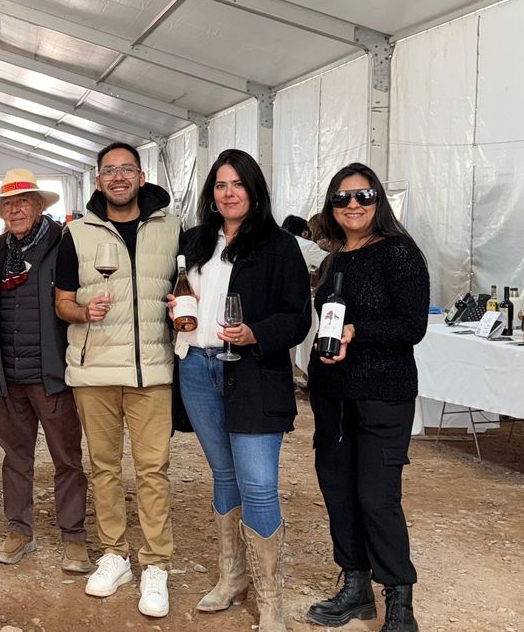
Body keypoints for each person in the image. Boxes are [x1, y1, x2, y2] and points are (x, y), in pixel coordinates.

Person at [170, 149, 310, 632]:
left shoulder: (278, 245)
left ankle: (269, 598)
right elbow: (182, 292)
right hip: (196, 368)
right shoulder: (194, 240)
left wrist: (255, 333)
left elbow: (297, 318)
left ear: (254, 190)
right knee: (224, 476)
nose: (228, 193)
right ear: (211, 194)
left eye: (237, 184)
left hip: (252, 372)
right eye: (220, 185)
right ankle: (233, 578)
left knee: (257, 483)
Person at [53, 142, 181, 618]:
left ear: (141, 176)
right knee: (103, 468)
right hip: (93, 370)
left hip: (152, 369)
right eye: (110, 170)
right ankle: (115, 554)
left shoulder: (171, 227)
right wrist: (83, 310)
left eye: (127, 169)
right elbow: (62, 302)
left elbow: (190, 284)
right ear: (98, 179)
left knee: (153, 470)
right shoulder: (78, 233)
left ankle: (156, 563)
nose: (119, 178)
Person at [304, 163, 428, 632]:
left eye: (363, 195)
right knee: (339, 492)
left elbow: (411, 326)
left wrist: (357, 331)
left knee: (377, 498)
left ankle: (399, 599)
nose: (353, 205)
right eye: (342, 198)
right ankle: (356, 588)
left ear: (379, 201)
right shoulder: (335, 259)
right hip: (333, 395)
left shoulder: (398, 253)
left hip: (383, 393)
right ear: (331, 207)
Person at [0, 169, 91, 573]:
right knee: (15, 456)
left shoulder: (64, 245)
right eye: (9, 203)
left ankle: (73, 535)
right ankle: (19, 529)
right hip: (7, 374)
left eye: (24, 200)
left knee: (66, 458)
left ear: (40, 206)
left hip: (51, 372)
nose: (16, 209)